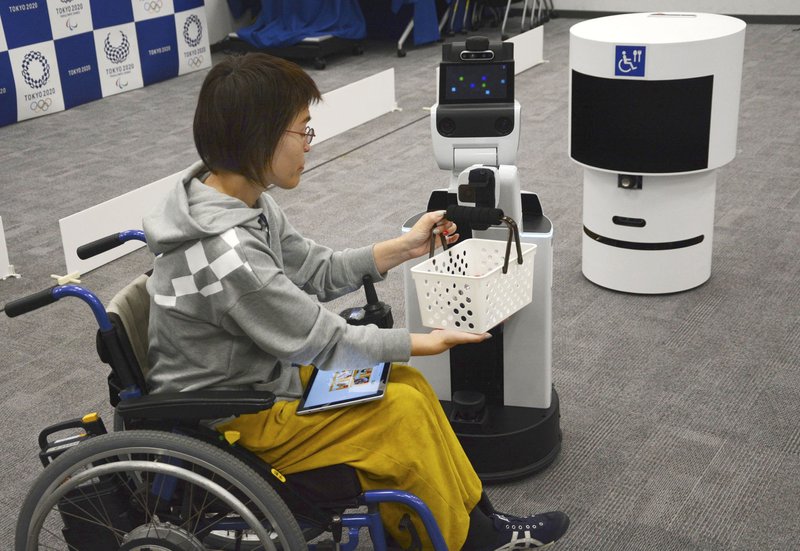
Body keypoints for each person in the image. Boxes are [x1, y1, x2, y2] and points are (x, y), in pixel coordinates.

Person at [142, 52, 569, 550]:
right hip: (237, 417)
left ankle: (479, 524)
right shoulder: (227, 252)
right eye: (302, 130)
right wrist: (423, 341)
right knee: (399, 411)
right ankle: (463, 540)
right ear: (260, 135)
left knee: (407, 385)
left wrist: (408, 246)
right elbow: (325, 342)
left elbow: (316, 270)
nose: (309, 143)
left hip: (263, 377)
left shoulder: (238, 200)